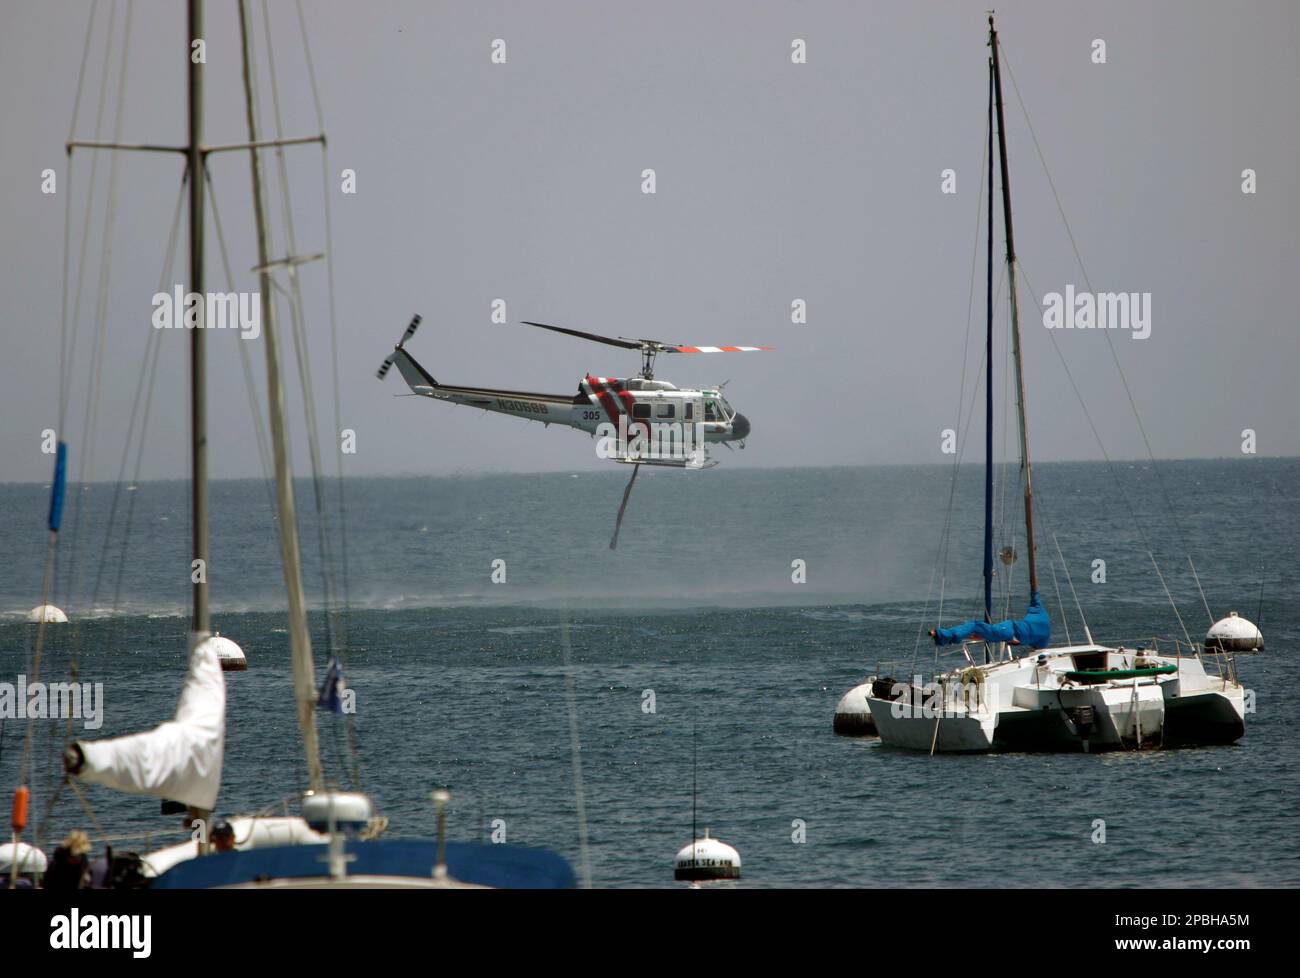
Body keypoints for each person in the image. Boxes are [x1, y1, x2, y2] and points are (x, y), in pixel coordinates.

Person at [929, 590, 1051, 649]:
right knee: (981, 631)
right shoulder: (1042, 638)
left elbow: (1036, 597)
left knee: (975, 625)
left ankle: (943, 634)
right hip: (1008, 635)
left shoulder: (1039, 611)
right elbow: (1037, 650)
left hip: (1008, 629)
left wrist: (1034, 592)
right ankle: (949, 638)